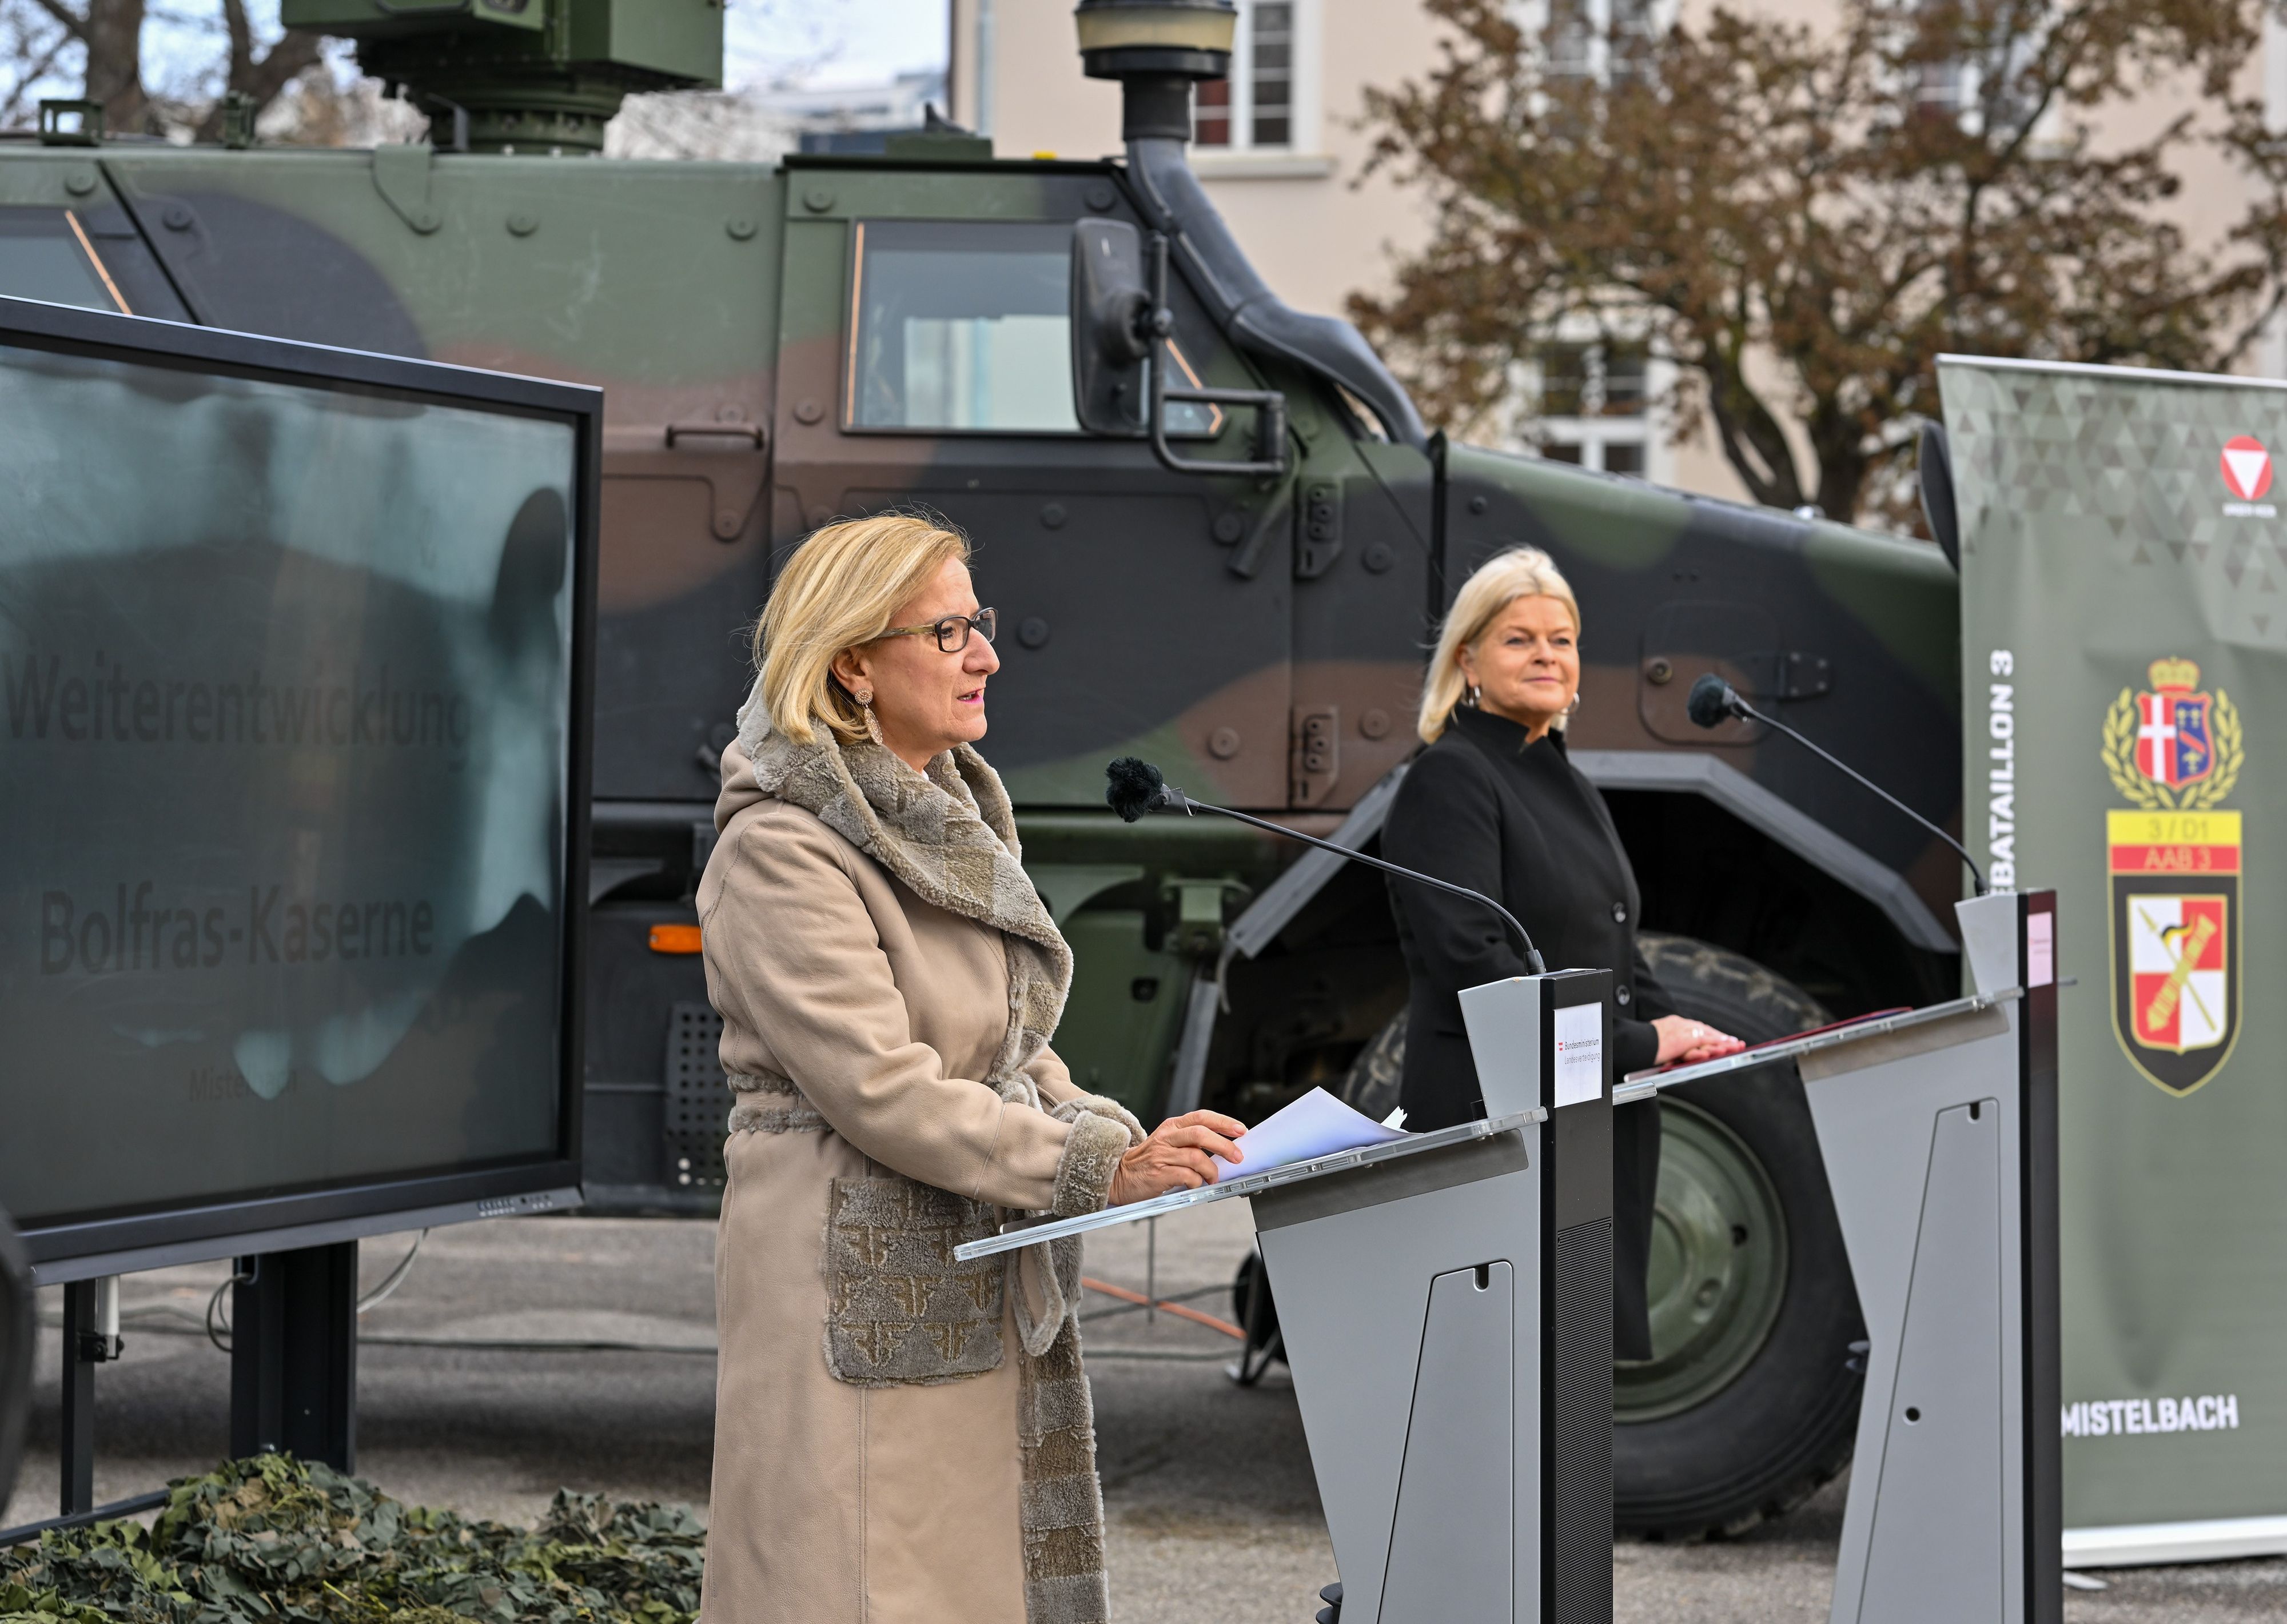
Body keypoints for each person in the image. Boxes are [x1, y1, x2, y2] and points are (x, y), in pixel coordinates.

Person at [694, 513, 1245, 1624]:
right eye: (948, 631)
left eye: (977, 625)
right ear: (851, 659)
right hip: (844, 1273)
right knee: (849, 1584)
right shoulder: (781, 844)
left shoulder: (934, 808)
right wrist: (1098, 1164)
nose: (986, 654)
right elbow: (880, 1088)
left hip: (958, 1254)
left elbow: (1004, 1042)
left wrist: (1122, 1135)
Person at [1379, 546, 1743, 1360]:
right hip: (1498, 1117)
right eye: (1520, 639)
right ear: (1467, 659)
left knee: (1564, 1398)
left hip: (1581, 1110)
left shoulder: (1563, 778)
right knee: (1502, 1386)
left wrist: (1675, 1030)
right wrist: (1639, 1044)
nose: (1548, 654)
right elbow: (1474, 958)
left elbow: (1611, 942)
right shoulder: (1452, 776)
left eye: (1563, 638)